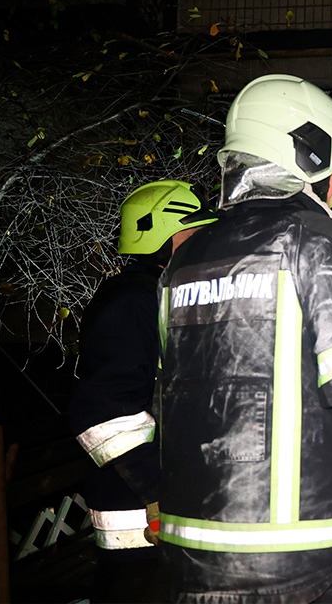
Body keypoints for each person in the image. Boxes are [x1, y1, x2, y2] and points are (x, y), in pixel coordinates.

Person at [156, 74, 332, 604]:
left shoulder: (184, 262)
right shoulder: (327, 242)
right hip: (317, 554)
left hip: (193, 552)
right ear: (306, 154)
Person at [70, 180, 217, 603]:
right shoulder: (131, 303)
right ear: (164, 237)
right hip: (137, 520)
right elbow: (104, 411)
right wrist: (156, 489)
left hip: (165, 508)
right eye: (196, 232)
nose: (206, 243)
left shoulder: (160, 295)